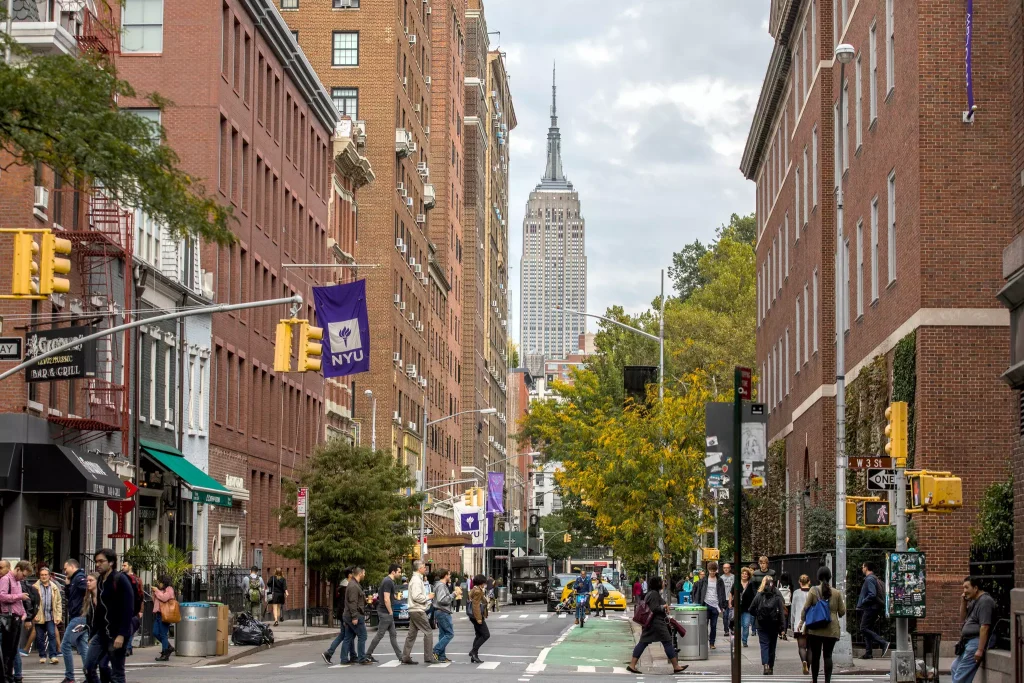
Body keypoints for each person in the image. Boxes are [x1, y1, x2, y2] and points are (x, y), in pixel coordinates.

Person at [83, 549, 133, 683]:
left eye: (101, 561)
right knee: (88, 667)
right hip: (101, 633)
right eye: (96, 561)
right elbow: (100, 610)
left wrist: (122, 634)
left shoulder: (120, 579)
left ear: (111, 562)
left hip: (117, 633)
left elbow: (128, 608)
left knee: (117, 674)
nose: (97, 564)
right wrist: (93, 633)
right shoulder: (100, 581)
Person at [626, 577, 687, 675]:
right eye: (662, 581)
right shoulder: (654, 594)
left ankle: (632, 665)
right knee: (667, 642)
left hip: (651, 623)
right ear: (657, 583)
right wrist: (664, 606)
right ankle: (676, 666)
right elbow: (654, 608)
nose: (663, 583)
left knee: (643, 643)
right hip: (656, 623)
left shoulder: (652, 593)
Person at [802, 566, 846, 683]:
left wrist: (802, 621)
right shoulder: (836, 593)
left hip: (815, 627)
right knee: (828, 656)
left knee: (815, 656)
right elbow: (842, 612)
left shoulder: (813, 590)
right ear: (830, 577)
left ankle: (815, 680)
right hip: (831, 628)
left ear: (818, 577)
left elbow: (806, 607)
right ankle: (827, 681)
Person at [950, 576, 996, 683]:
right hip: (968, 641)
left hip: (976, 641)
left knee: (960, 677)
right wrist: (963, 602)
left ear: (975, 588)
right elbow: (962, 618)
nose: (964, 591)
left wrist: (979, 650)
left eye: (967, 587)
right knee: (954, 667)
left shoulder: (985, 601)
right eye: (963, 588)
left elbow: (985, 627)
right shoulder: (975, 601)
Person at [363, 564, 402, 663]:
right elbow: (386, 598)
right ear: (393, 572)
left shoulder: (388, 581)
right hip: (386, 612)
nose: (400, 574)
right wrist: (390, 611)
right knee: (380, 634)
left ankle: (401, 656)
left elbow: (388, 596)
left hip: (386, 612)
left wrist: (396, 598)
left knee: (393, 634)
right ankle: (367, 654)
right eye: (399, 572)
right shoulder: (388, 581)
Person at [1, 560, 31, 683]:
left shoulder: (17, 582)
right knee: (8, 650)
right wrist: (19, 597)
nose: (23, 578)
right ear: (18, 569)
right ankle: (6, 677)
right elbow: (1, 596)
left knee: (13, 651)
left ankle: (10, 676)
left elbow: (19, 601)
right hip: (9, 618)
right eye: (23, 575)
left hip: (16, 618)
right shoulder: (5, 579)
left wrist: (23, 613)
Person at [750, 575, 786, 675]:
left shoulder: (759, 594)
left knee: (764, 644)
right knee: (772, 645)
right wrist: (783, 627)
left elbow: (751, 608)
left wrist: (758, 615)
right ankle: (771, 666)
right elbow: (782, 610)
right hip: (774, 623)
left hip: (761, 624)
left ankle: (765, 665)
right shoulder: (777, 594)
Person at [60, 559, 89, 683]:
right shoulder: (74, 580)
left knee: (65, 645)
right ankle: (90, 674)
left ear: (72, 567)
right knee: (82, 645)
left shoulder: (80, 578)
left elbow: (88, 590)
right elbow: (71, 597)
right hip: (79, 616)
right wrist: (67, 586)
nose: (65, 571)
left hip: (79, 616)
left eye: (66, 569)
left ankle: (70, 677)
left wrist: (85, 608)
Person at [401, 560, 434, 665]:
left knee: (412, 634)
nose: (425, 569)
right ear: (419, 568)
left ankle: (405, 657)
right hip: (417, 609)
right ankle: (428, 657)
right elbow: (416, 596)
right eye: (424, 567)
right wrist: (428, 597)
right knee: (428, 632)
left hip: (414, 609)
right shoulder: (416, 580)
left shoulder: (416, 579)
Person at [857, 561, 888, 659]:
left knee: (863, 628)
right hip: (874, 607)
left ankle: (883, 642)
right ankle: (868, 653)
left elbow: (872, 594)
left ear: (866, 568)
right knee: (868, 629)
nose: (862, 569)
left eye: (863, 567)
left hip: (870, 607)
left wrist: (863, 601)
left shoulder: (869, 579)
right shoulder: (874, 578)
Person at [692, 562, 727, 650]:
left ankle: (712, 642)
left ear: (716, 570)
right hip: (705, 604)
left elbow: (722, 593)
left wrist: (723, 605)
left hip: (715, 605)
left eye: (714, 571)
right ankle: (703, 642)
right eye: (711, 571)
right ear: (708, 570)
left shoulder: (719, 580)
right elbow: (699, 592)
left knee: (714, 626)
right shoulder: (704, 580)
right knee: (704, 625)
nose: (712, 572)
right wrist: (697, 603)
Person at [32, 567, 62, 664]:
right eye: (42, 575)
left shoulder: (54, 587)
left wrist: (58, 616)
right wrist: (33, 615)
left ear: (49, 576)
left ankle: (53, 655)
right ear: (39, 576)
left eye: (45, 575)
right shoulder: (34, 587)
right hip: (39, 616)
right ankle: (42, 655)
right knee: (40, 637)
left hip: (50, 616)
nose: (44, 576)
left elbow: (58, 602)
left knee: (52, 635)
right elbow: (31, 602)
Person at [340, 567, 368, 665]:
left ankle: (344, 659)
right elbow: (352, 603)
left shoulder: (354, 584)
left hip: (349, 615)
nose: (365, 575)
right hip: (354, 615)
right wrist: (355, 617)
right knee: (363, 636)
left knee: (348, 637)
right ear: (360, 574)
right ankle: (361, 658)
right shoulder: (353, 586)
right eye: (364, 573)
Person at [431, 568, 455, 663]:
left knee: (443, 634)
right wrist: (453, 595)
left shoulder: (438, 585)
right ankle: (436, 651)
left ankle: (441, 656)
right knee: (450, 633)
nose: (450, 577)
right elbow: (442, 600)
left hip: (440, 611)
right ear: (445, 575)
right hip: (443, 611)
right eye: (449, 575)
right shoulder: (441, 586)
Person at [150, 575, 176, 662]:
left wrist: (157, 591)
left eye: (160, 582)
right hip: (158, 614)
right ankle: (168, 647)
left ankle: (165, 653)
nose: (158, 584)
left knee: (163, 634)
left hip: (165, 614)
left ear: (164, 582)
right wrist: (154, 593)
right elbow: (155, 602)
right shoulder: (160, 590)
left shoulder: (169, 589)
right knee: (155, 632)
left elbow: (164, 598)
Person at [120, 562, 143, 657]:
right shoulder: (120, 577)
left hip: (133, 608)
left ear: (130, 567)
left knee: (131, 628)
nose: (123, 567)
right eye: (122, 565)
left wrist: (141, 610)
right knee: (127, 627)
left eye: (125, 565)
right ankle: (128, 647)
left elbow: (141, 595)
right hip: (123, 607)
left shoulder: (137, 579)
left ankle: (128, 648)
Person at [791, 574, 812, 675]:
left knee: (802, 646)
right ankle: (808, 665)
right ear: (809, 582)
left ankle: (804, 661)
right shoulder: (814, 592)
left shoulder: (796, 593)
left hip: (799, 623)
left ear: (800, 582)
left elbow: (793, 610)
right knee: (811, 648)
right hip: (812, 623)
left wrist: (792, 623)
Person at [467, 575, 490, 663]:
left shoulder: (475, 589)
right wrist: (479, 618)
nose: (485, 584)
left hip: (473, 616)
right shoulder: (477, 591)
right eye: (484, 582)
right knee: (486, 635)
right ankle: (473, 651)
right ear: (481, 583)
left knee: (479, 635)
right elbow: (476, 605)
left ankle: (474, 655)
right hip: (476, 616)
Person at [738, 567, 756, 647]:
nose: (744, 575)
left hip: (747, 608)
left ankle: (744, 640)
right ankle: (737, 640)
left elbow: (754, 595)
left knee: (746, 625)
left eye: (746, 574)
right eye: (743, 573)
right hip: (738, 608)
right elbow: (732, 593)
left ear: (748, 576)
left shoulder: (751, 584)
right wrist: (730, 603)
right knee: (738, 625)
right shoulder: (737, 583)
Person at [721, 563, 735, 639]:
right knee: (725, 616)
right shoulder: (721, 578)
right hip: (724, 600)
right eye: (724, 568)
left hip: (732, 599)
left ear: (730, 568)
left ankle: (732, 628)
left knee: (732, 616)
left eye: (727, 568)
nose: (726, 569)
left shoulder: (734, 577)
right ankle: (726, 630)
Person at [778, 573, 793, 640]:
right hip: (788, 603)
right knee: (786, 618)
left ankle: (780, 632)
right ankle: (784, 631)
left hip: (780, 603)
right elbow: (791, 594)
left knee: (779, 617)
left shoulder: (779, 583)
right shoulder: (790, 584)